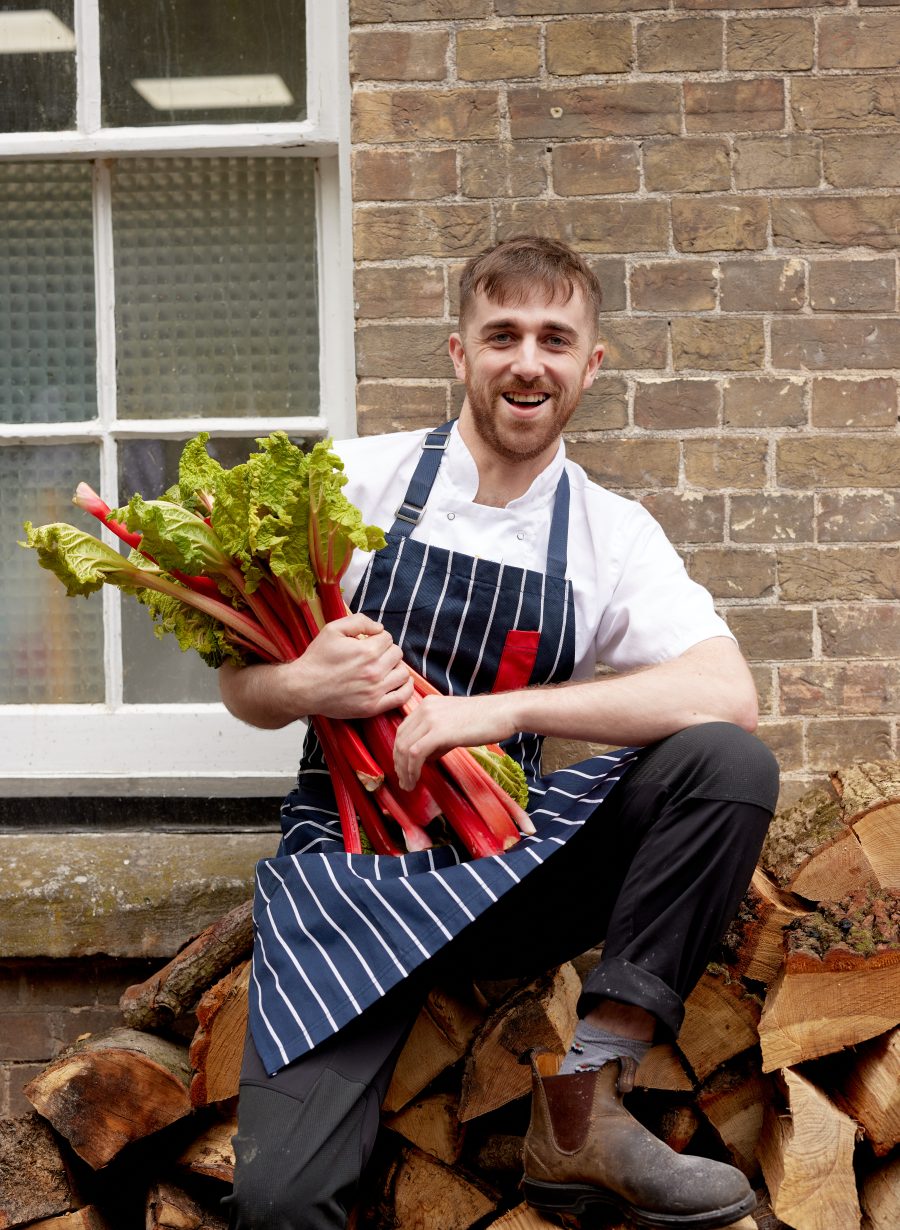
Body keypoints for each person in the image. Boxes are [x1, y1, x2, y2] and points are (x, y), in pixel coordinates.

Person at [219, 235, 780, 1230]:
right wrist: (307, 679)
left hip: (505, 857)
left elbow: (725, 690)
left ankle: (588, 1104)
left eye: (555, 339)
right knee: (278, 1199)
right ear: (459, 352)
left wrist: (506, 711)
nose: (529, 360)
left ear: (589, 364)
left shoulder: (611, 532)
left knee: (726, 763)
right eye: (504, 335)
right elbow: (243, 688)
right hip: (349, 875)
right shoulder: (354, 483)